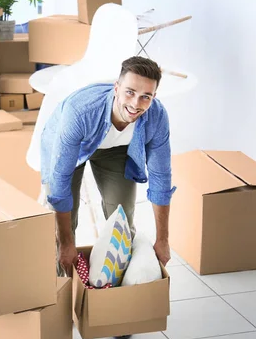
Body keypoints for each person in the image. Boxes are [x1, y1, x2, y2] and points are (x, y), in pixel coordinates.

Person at [39, 56, 175, 279]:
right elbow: (60, 183)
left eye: (145, 97)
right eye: (130, 92)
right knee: (63, 222)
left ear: (153, 97)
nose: (135, 104)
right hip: (72, 146)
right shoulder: (80, 111)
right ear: (117, 88)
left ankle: (114, 298)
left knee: (122, 217)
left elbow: (161, 180)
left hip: (116, 150)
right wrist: (66, 243)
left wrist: (163, 240)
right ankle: (61, 289)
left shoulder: (157, 117)